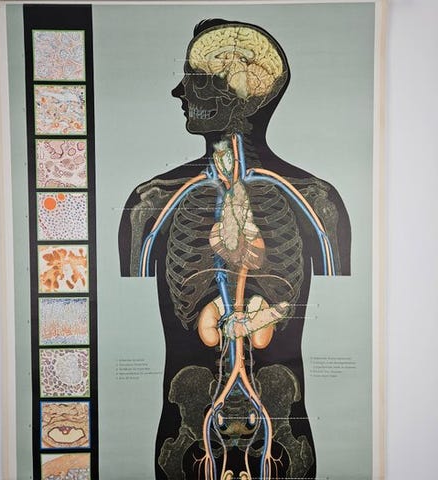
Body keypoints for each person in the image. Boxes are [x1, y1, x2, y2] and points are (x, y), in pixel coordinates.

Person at [119, 18, 351, 480]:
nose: (179, 93)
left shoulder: (317, 203)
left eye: (194, 80)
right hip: (187, 434)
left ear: (239, 95)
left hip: (280, 437)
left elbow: (338, 319)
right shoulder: (150, 204)